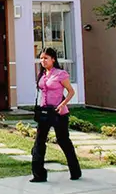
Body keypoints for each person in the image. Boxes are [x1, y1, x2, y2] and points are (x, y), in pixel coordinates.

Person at [31, 47, 82, 182]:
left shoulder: (60, 74)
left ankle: (75, 171)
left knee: (63, 141)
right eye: (41, 58)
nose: (43, 61)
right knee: (39, 142)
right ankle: (38, 175)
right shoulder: (42, 74)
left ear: (53, 59)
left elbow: (71, 91)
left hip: (59, 113)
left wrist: (62, 104)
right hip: (44, 112)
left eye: (46, 58)